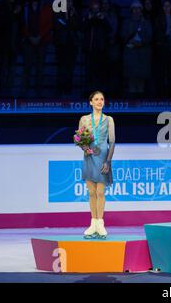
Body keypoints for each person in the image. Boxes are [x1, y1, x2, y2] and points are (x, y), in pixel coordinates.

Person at [78, 91, 115, 239]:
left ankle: (100, 223)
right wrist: (84, 148)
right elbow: (80, 138)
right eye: (96, 99)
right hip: (89, 156)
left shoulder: (109, 120)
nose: (100, 101)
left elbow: (112, 142)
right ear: (91, 102)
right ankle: (93, 224)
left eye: (102, 99)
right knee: (91, 192)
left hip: (102, 156)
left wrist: (108, 161)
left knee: (100, 192)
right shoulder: (84, 119)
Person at [21, 0, 53, 97]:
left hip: (42, 41)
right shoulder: (25, 7)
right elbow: (22, 23)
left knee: (40, 67)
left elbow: (49, 23)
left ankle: (39, 92)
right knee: (27, 67)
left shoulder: (46, 6)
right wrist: (29, 36)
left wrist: (40, 36)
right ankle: (25, 92)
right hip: (28, 41)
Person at [121, 0, 153, 98]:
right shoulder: (126, 22)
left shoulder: (146, 23)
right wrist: (130, 40)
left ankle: (141, 101)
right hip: (130, 55)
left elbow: (150, 36)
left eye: (138, 8)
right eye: (134, 9)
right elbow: (122, 34)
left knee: (141, 80)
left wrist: (141, 42)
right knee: (132, 79)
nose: (136, 11)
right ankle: (132, 101)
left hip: (143, 55)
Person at [53, 0, 81, 98]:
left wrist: (72, 17)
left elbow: (78, 26)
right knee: (61, 68)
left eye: (70, 1)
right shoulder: (58, 13)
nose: (68, 3)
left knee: (70, 68)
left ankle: (68, 90)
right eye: (66, 1)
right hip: (61, 45)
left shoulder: (76, 14)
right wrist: (68, 21)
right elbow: (58, 26)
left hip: (72, 46)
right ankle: (59, 90)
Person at [0, 0, 22, 97]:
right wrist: (14, 12)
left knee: (12, 70)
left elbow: (21, 25)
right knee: (3, 69)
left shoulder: (18, 6)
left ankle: (10, 92)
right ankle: (1, 92)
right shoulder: (1, 6)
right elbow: (2, 23)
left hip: (14, 44)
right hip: (3, 45)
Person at [154, 0, 171, 98]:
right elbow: (158, 34)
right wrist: (168, 31)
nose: (166, 8)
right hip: (163, 49)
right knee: (162, 73)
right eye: (165, 6)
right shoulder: (159, 19)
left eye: (168, 6)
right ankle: (161, 94)